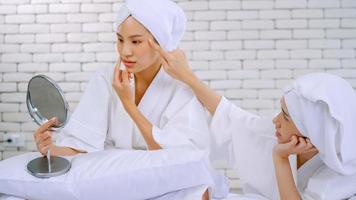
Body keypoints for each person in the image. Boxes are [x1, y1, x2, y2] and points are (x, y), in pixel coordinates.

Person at [150, 41, 356, 199]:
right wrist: (187, 76)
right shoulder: (277, 135)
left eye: (285, 116)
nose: (276, 120)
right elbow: (232, 118)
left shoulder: (342, 178)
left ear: (313, 132)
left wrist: (280, 159)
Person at [33, 0, 209, 172]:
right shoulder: (105, 79)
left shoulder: (181, 88)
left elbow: (175, 162)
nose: (125, 51)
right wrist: (51, 149)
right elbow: (81, 148)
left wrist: (129, 105)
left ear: (160, 43)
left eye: (136, 42)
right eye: (120, 39)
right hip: (115, 176)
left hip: (160, 178)